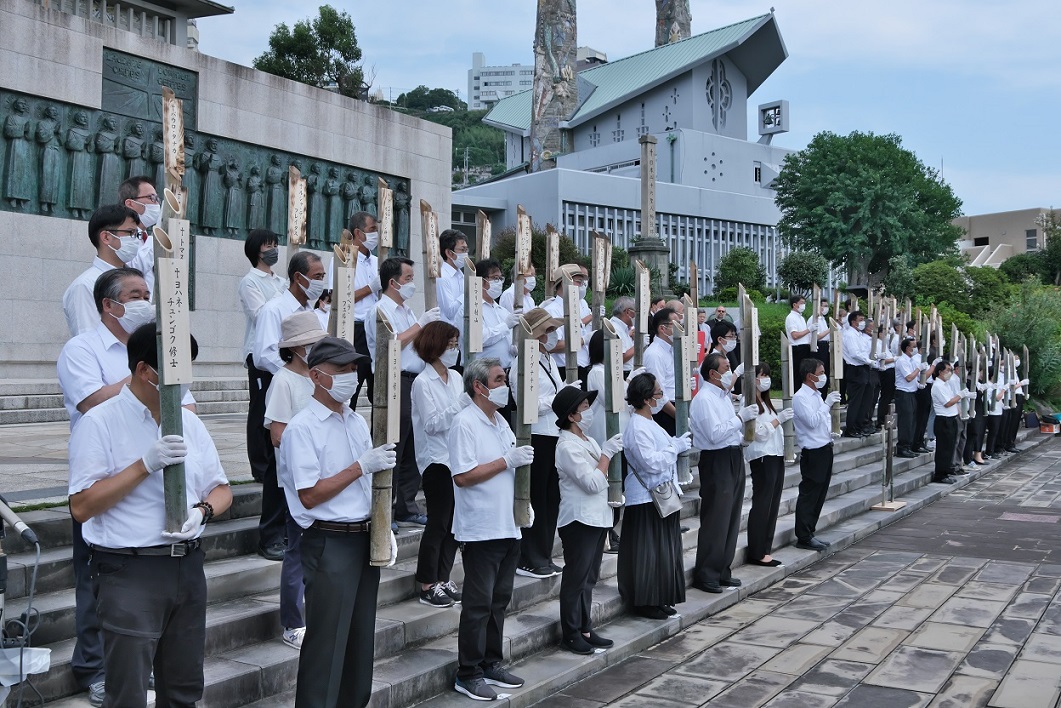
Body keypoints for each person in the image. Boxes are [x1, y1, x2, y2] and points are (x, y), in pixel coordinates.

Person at [68, 323, 231, 707]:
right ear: (145, 370)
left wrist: (202, 511)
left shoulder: (189, 422)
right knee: (128, 690)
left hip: (186, 566)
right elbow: (82, 506)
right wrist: (143, 464)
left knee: (184, 687)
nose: (183, 380)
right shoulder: (100, 422)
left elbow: (221, 488)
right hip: (129, 570)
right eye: (176, 370)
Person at [57, 268, 196, 706]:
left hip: (159, 473)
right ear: (109, 304)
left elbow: (184, 405)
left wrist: (165, 368)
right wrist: (149, 373)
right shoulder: (82, 348)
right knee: (96, 585)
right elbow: (91, 400)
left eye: (148, 293)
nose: (145, 300)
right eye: (136, 295)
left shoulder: (159, 351)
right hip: (104, 459)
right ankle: (95, 668)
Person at [279, 336, 398, 708]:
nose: (351, 375)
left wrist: (383, 526)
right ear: (316, 375)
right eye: (342, 369)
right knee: (326, 644)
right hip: (329, 541)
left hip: (363, 537)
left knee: (360, 642)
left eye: (353, 368)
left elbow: (365, 486)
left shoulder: (354, 420)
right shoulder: (303, 427)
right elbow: (309, 494)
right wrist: (360, 466)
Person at [449, 357, 533, 701]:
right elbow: (463, 475)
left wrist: (523, 503)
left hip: (507, 524)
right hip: (480, 528)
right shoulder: (464, 423)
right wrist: (505, 462)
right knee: (478, 603)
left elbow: (513, 465)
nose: (505, 385)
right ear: (479, 386)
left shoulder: (499, 420)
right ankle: (467, 672)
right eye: (499, 380)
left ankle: (490, 662)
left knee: (499, 600)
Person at [251, 251, 326, 561]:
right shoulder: (274, 309)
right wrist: (294, 369)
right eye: (318, 276)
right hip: (280, 382)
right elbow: (263, 354)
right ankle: (270, 534)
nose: (322, 282)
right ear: (299, 277)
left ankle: (291, 526)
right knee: (277, 466)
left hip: (309, 383)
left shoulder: (315, 312)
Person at [263, 311, 328, 651]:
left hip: (325, 475)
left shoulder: (318, 377)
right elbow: (277, 433)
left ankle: (313, 614)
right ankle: (293, 622)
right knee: (297, 549)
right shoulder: (283, 380)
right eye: (312, 343)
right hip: (297, 478)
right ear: (298, 347)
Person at [366, 256, 442, 526]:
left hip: (415, 379)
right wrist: (421, 324)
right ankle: (387, 505)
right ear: (392, 282)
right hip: (393, 380)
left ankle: (407, 506)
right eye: (408, 279)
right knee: (394, 445)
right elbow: (391, 345)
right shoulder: (379, 311)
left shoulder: (407, 311)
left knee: (414, 445)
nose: (412, 284)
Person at [552, 385, 623, 654]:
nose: (588, 410)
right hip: (578, 520)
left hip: (597, 518)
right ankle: (570, 633)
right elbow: (592, 483)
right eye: (583, 407)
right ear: (571, 415)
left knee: (589, 578)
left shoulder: (588, 440)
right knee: (576, 577)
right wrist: (606, 454)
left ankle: (584, 627)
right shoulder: (566, 447)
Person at [618, 372, 689, 619]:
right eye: (659, 394)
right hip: (646, 497)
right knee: (648, 551)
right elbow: (650, 462)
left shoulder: (648, 422)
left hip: (661, 493)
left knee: (663, 550)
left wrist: (674, 445)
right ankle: (645, 601)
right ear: (648, 399)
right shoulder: (637, 426)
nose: (662, 397)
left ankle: (660, 597)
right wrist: (675, 448)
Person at [690, 352, 758, 593]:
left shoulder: (723, 396)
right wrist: (741, 418)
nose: (730, 371)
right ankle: (706, 572)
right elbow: (714, 434)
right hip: (715, 460)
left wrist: (745, 437)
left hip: (732, 455)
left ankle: (722, 569)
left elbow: (729, 432)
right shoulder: (704, 399)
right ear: (713, 373)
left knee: (731, 516)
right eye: (726, 367)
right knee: (716, 518)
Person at [238, 229, 287, 555]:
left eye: (275, 245)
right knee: (261, 411)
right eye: (268, 246)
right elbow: (262, 314)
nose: (272, 250)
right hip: (263, 356)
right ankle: (259, 463)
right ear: (256, 250)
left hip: (284, 355)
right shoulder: (250, 281)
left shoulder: (280, 281)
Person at [411, 321, 466, 608]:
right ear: (436, 346)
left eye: (456, 344)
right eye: (450, 344)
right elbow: (432, 424)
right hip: (435, 460)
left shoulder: (456, 378)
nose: (454, 350)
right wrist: (461, 405)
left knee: (454, 523)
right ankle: (426, 583)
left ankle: (443, 578)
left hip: (457, 456)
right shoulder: (423, 382)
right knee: (438, 522)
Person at [509, 307, 565, 578]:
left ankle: (543, 553)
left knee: (551, 497)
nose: (552, 336)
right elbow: (526, 404)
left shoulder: (549, 359)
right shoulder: (524, 361)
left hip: (554, 433)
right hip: (537, 435)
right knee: (536, 498)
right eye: (548, 331)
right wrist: (556, 399)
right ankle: (529, 556)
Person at [63, 204, 143, 337]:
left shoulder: (136, 279)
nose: (135, 240)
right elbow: (88, 339)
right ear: (106, 237)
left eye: (136, 234)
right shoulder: (86, 285)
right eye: (130, 233)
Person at [584, 330, 631, 553]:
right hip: (604, 435)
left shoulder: (612, 371)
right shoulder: (596, 372)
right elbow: (611, 399)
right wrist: (630, 383)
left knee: (617, 483)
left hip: (619, 435)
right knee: (609, 484)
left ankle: (612, 528)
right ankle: (606, 531)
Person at [744, 363, 794, 567]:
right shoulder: (750, 402)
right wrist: (778, 421)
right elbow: (757, 432)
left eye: (767, 375)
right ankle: (757, 551)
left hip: (775, 455)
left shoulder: (766, 402)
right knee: (763, 504)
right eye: (761, 375)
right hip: (762, 457)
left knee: (772, 504)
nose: (765, 379)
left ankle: (765, 548)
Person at [792, 358, 842, 552]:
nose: (823, 376)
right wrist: (827, 403)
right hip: (812, 452)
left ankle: (810, 531)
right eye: (820, 373)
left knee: (820, 493)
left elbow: (821, 423)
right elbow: (811, 421)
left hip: (824, 447)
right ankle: (803, 535)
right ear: (810, 375)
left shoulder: (816, 395)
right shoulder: (801, 397)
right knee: (810, 494)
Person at [349, 211, 383, 410]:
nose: (375, 235)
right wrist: (371, 287)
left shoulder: (376, 261)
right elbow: (342, 298)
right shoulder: (345, 259)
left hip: (376, 328)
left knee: (378, 391)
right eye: (372, 230)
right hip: (356, 329)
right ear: (358, 233)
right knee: (353, 388)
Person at [931, 360, 973, 484]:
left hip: (951, 418)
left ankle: (947, 471)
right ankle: (940, 474)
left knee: (949, 448)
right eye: (947, 370)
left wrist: (962, 411)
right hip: (943, 420)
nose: (949, 373)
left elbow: (953, 403)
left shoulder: (946, 384)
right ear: (940, 372)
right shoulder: (937, 385)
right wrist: (960, 395)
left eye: (950, 370)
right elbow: (948, 402)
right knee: (943, 449)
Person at [118, 176, 162, 293]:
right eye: (151, 197)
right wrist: (159, 237)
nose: (156, 203)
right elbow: (132, 268)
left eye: (157, 198)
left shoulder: (146, 237)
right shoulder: (119, 234)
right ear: (130, 203)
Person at [478, 258, 521, 372]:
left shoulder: (502, 311)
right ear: (481, 281)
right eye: (495, 278)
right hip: (484, 373)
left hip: (508, 370)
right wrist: (505, 326)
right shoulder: (471, 309)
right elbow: (479, 339)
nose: (499, 282)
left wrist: (514, 347)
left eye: (500, 278)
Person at [642, 307, 680, 435]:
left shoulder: (672, 349)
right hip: (665, 412)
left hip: (676, 406)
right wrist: (679, 416)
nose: (680, 328)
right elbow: (658, 395)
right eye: (675, 324)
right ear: (662, 328)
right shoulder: (655, 354)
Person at [841, 311, 873, 437]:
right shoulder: (850, 335)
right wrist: (868, 361)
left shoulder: (859, 335)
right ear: (854, 322)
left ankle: (859, 426)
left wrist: (871, 359)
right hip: (855, 369)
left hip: (863, 368)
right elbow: (854, 353)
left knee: (864, 401)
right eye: (860, 319)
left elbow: (864, 351)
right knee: (855, 401)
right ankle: (851, 428)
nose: (863, 322)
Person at [894, 338, 925, 458]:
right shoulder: (902, 361)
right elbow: (908, 377)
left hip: (912, 393)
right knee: (905, 421)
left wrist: (919, 384)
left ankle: (908, 445)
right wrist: (919, 369)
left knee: (912, 421)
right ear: (907, 348)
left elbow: (913, 380)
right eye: (913, 346)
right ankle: (902, 447)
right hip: (903, 394)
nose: (915, 348)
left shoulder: (911, 360)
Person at [437, 229, 470, 337]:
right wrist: (469, 292)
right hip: (446, 337)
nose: (466, 254)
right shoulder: (442, 276)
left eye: (466, 249)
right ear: (449, 253)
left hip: (461, 335)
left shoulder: (462, 275)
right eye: (462, 250)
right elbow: (450, 312)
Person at [608, 297, 637, 376]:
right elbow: (620, 358)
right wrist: (639, 344)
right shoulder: (614, 329)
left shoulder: (624, 328)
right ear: (628, 312)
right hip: (621, 374)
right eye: (636, 312)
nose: (637, 316)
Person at [785, 295, 812, 378]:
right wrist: (809, 330)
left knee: (805, 374)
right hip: (798, 349)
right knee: (798, 374)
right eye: (801, 303)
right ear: (794, 305)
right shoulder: (791, 318)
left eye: (804, 303)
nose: (804, 305)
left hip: (805, 347)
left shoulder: (801, 317)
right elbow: (795, 335)